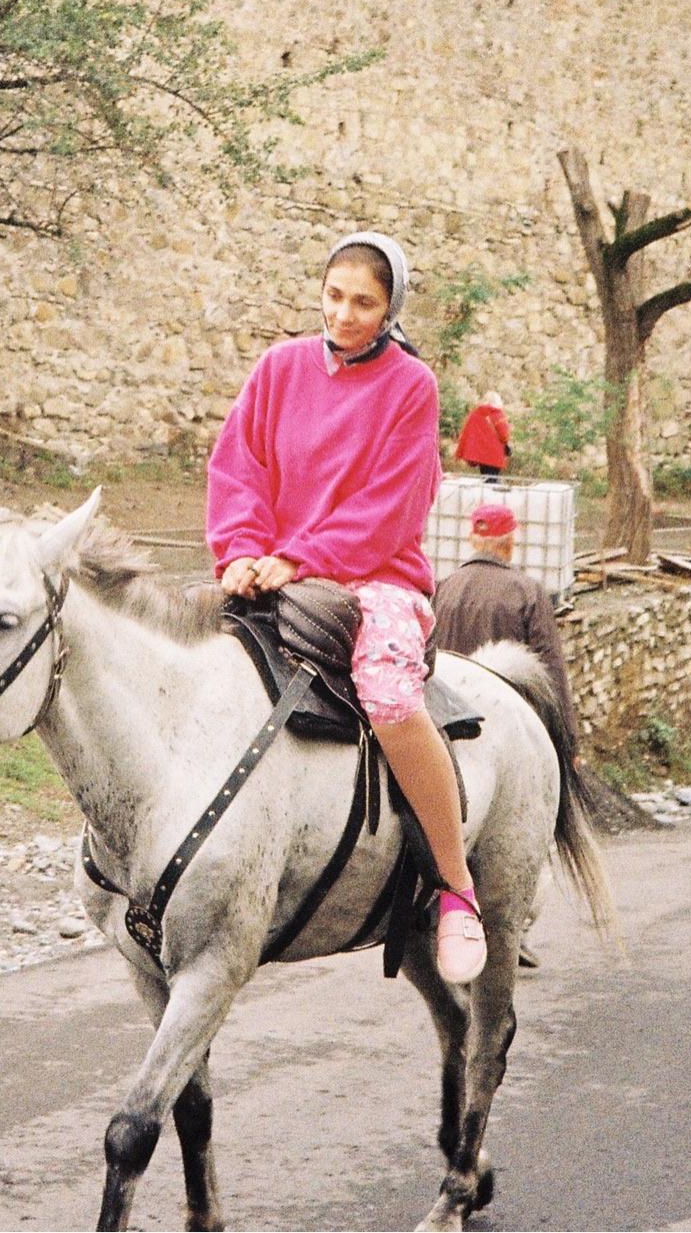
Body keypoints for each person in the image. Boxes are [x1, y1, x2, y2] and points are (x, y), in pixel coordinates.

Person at [208, 232, 487, 984]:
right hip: (270, 565)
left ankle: (456, 887)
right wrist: (240, 549)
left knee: (390, 693)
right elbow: (238, 467)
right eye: (334, 295)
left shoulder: (412, 385)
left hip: (375, 573)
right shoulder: (279, 368)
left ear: (391, 307)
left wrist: (300, 557)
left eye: (364, 302)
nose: (343, 314)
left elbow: (391, 505)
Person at [431, 502, 584, 764]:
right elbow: (551, 669)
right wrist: (568, 743)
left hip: (451, 723)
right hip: (506, 725)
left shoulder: (443, 588)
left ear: (472, 540)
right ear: (510, 541)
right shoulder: (528, 592)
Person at [454, 392, 510, 479]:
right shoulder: (498, 415)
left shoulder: (475, 414)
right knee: (492, 479)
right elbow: (504, 435)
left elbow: (467, 433)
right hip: (495, 454)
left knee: (485, 478)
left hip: (482, 456)